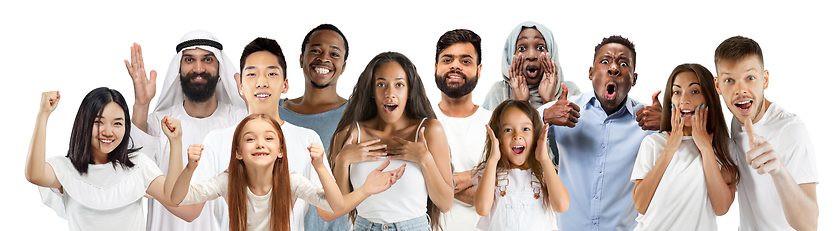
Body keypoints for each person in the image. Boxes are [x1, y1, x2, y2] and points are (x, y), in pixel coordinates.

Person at [170, 114, 406, 231]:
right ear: (238, 152)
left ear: (281, 150)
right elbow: (178, 198)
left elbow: (334, 205)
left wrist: (320, 166)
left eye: (269, 138)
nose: (260, 144)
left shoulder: (290, 181)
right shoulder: (227, 180)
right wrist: (190, 167)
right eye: (250, 139)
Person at [195, 37, 338, 231]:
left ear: (285, 84)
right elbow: (190, 207)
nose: (262, 82)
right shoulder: (216, 140)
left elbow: (328, 211)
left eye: (271, 73)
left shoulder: (307, 139)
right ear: (240, 86)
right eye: (252, 74)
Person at [123, 30, 248, 231]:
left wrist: (253, 100)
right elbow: (134, 175)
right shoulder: (158, 123)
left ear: (219, 68)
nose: (199, 68)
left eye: (207, 59)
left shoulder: (241, 121)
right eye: (189, 60)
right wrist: (141, 104)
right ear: (179, 68)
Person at [537, 35, 657, 230]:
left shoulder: (647, 120)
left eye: (623, 63)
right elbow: (508, 128)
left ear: (634, 79)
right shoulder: (563, 110)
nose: (614, 68)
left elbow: (699, 142)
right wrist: (544, 115)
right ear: (591, 73)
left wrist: (669, 123)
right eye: (605, 61)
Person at [26, 88, 183, 230]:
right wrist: (43, 114)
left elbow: (172, 198)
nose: (108, 132)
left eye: (117, 123)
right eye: (98, 122)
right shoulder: (66, 168)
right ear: (84, 123)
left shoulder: (138, 165)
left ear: (125, 127)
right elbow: (35, 175)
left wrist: (176, 142)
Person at [329, 52, 453, 231]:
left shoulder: (429, 131)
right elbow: (338, 208)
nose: (390, 94)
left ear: (410, 91)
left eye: (399, 85)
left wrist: (425, 159)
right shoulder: (350, 135)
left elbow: (446, 203)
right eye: (381, 84)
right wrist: (342, 161)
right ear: (371, 91)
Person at [713, 36, 818, 230]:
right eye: (729, 80)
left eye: (750, 78)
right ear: (718, 86)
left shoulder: (791, 130)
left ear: (765, 80)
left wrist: (778, 171)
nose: (740, 90)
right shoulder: (737, 120)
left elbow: (810, 225)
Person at [630, 64, 739, 230]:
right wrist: (670, 149)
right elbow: (640, 204)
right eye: (677, 92)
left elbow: (721, 208)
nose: (684, 100)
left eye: (695, 91)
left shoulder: (725, 147)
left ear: (709, 97)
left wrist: (706, 149)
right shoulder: (653, 144)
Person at [278, 24, 351, 231]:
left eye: (334, 53)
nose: (324, 58)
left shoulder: (356, 115)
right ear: (301, 59)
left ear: (344, 66)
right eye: (316, 50)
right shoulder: (276, 111)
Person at [473, 100, 569, 231]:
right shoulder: (491, 172)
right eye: (508, 130)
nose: (517, 136)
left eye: (525, 129)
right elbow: (482, 209)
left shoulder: (544, 173)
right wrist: (493, 159)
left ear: (535, 135)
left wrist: (545, 159)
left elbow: (562, 206)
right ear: (497, 137)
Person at [431, 28, 491, 231]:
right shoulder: (417, 122)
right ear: (436, 67)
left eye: (465, 61)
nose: (455, 66)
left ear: (479, 69)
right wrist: (478, 175)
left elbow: (499, 190)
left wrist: (432, 179)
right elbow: (406, 183)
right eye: (447, 60)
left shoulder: (496, 126)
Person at [482, 21, 580, 111]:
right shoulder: (499, 93)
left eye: (540, 48)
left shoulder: (568, 91)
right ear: (510, 55)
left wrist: (549, 102)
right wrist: (520, 104)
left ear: (552, 53)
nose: (531, 56)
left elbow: (581, 129)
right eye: (522, 48)